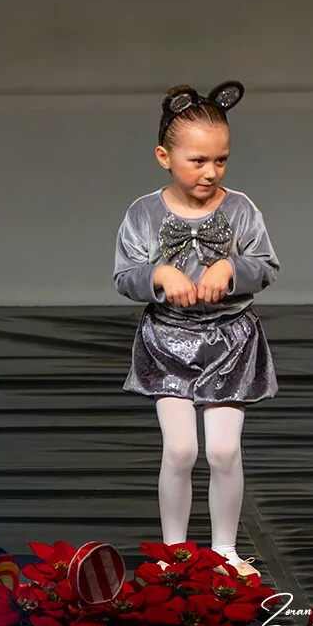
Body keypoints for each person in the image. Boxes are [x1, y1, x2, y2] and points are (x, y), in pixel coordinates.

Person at [115, 82, 276, 579]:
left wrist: (231, 267)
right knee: (181, 449)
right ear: (164, 157)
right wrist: (159, 275)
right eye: (198, 161)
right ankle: (175, 551)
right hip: (169, 341)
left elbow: (266, 266)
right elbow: (124, 276)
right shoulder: (143, 213)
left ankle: (225, 549)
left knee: (224, 450)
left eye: (221, 160)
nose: (210, 172)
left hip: (230, 341)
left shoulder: (241, 209)